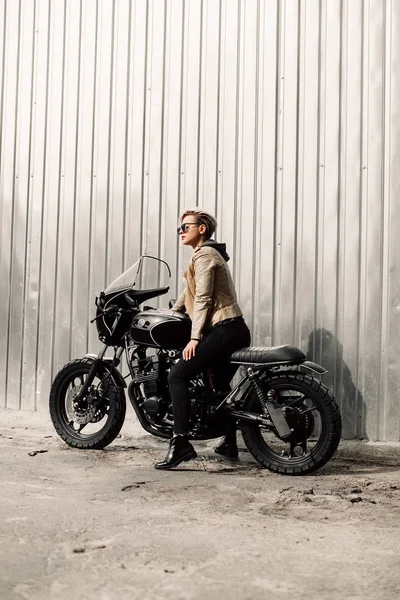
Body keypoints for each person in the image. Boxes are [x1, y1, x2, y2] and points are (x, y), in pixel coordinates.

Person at [155, 209, 251, 470]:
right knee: (218, 387)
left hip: (224, 329)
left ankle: (180, 442)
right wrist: (171, 311)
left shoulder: (206, 254)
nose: (181, 231)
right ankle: (229, 442)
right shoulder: (203, 255)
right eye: (179, 228)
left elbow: (204, 298)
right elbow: (189, 292)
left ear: (202, 229)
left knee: (177, 376)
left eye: (186, 226)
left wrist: (194, 338)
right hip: (233, 329)